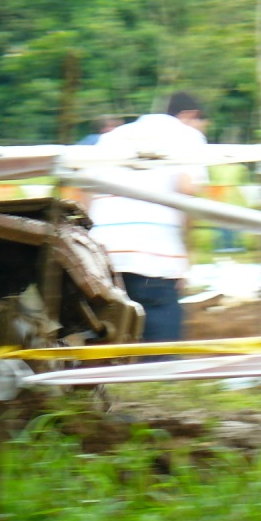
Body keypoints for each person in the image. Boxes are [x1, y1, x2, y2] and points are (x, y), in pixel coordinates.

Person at [86, 92, 209, 345]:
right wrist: (185, 253)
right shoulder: (187, 137)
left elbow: (85, 190)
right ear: (189, 116)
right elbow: (187, 190)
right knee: (160, 349)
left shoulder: (111, 138)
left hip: (103, 254)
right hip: (153, 254)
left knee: (107, 337)